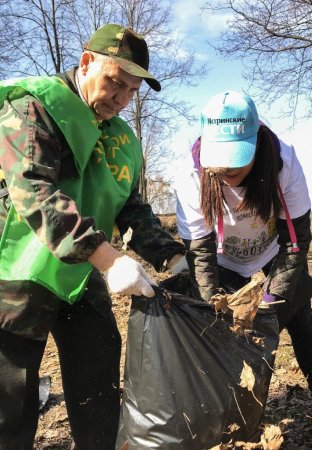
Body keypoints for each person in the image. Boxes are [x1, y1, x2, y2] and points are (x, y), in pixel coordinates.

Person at [0, 24, 188, 450]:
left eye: (131, 91)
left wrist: (171, 256)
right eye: (114, 83)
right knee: (10, 407)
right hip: (18, 272)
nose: (121, 99)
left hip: (81, 276)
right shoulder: (36, 108)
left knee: (98, 387)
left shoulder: (122, 138)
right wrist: (108, 257)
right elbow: (34, 190)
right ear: (86, 63)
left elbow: (130, 206)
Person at [174, 90, 312, 433]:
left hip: (274, 251)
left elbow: (296, 240)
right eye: (220, 160)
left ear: (256, 140)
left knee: (301, 320)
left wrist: (274, 298)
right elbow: (200, 252)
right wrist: (213, 300)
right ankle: (232, 417)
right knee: (228, 333)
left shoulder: (283, 161)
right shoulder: (190, 175)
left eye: (237, 158)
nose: (227, 169)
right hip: (224, 258)